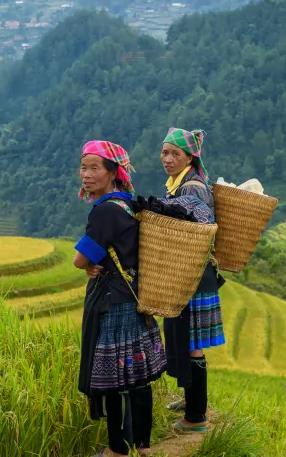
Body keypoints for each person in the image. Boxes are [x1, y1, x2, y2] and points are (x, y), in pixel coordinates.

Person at [74, 140, 167, 457]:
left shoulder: (104, 212)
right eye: (83, 167)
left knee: (112, 379)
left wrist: (88, 265)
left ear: (113, 173)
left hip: (114, 304)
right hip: (135, 298)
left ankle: (116, 449)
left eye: (94, 168)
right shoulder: (128, 204)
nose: (86, 175)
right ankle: (143, 446)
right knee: (138, 378)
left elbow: (80, 259)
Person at [159, 127, 225, 432]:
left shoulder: (192, 188)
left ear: (189, 157)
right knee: (185, 339)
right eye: (165, 152)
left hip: (194, 278)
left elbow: (198, 235)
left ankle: (195, 417)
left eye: (175, 154)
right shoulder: (178, 184)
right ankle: (190, 399)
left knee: (192, 344)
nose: (168, 159)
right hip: (187, 275)